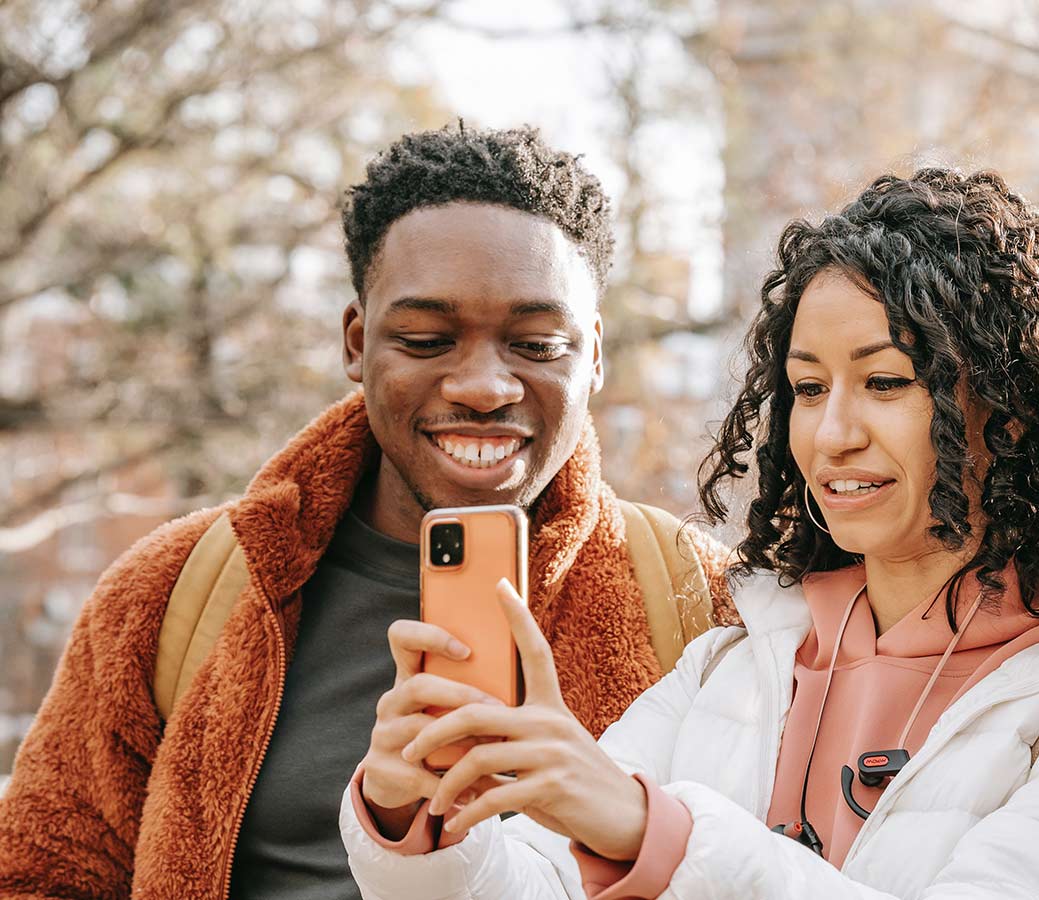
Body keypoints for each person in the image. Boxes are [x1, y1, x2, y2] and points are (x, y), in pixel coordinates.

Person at [338, 167, 1039, 899]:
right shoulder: (729, 663)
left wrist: (652, 830)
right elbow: (543, 882)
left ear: (1013, 408)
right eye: (810, 388)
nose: (833, 435)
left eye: (889, 382)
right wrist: (415, 819)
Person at [0, 124, 734, 900]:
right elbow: (41, 877)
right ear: (357, 342)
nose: (483, 387)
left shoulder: (699, 602)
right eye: (425, 340)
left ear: (594, 353)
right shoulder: (169, 596)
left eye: (537, 344)